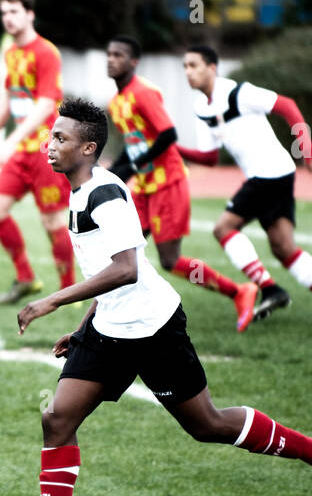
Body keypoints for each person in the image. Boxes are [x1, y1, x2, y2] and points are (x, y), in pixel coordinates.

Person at [0, 98, 312, 496]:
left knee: (207, 425)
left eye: (60, 138)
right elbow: (106, 271)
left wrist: (53, 300)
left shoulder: (106, 193)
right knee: (57, 418)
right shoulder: (78, 192)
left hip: (154, 327)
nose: (49, 145)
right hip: (109, 330)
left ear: (88, 147)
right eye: (51, 136)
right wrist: (82, 328)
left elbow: (126, 269)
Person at [177, 44, 312, 324]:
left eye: (194, 65)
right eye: (185, 67)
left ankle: (271, 290)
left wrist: (308, 150)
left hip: (269, 174)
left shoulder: (239, 92)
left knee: (223, 228)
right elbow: (211, 157)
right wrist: (174, 149)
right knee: (283, 247)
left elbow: (287, 106)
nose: (188, 72)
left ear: (212, 67)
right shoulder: (201, 107)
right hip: (276, 175)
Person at [105, 37, 259, 332]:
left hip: (168, 184)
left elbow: (168, 135)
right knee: (125, 250)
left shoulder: (144, 92)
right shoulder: (117, 102)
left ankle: (238, 291)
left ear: (133, 61)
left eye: (118, 55)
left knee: (169, 259)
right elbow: (134, 145)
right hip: (145, 187)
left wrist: (133, 167)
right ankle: (120, 314)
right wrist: (113, 175)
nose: (111, 60)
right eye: (109, 54)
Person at [0, 0, 75, 305]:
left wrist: (12, 140)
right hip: (19, 152)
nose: (8, 18)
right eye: (4, 12)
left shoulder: (46, 53)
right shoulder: (11, 54)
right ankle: (26, 278)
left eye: (14, 11)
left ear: (30, 14)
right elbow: (7, 99)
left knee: (53, 223)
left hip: (48, 150)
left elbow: (47, 104)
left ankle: (69, 291)